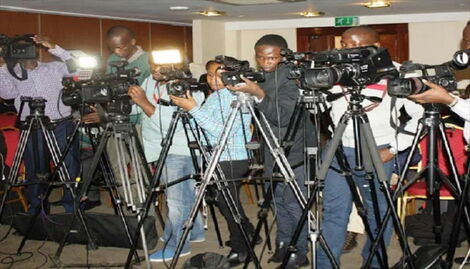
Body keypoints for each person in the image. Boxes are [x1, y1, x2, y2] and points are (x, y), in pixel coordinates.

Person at [315, 26, 424, 269]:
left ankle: (374, 264)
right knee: (333, 214)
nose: (344, 49)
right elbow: (323, 107)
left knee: (377, 216)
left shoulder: (396, 73)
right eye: (343, 44)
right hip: (338, 150)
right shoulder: (337, 72)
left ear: (373, 45)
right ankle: (324, 265)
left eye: (351, 45)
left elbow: (420, 116)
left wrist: (395, 149)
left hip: (378, 151)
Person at [227, 34, 315, 268]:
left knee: (294, 203)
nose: (265, 61)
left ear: (283, 56)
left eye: (271, 57)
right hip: (271, 148)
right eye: (260, 57)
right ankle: (283, 244)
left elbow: (282, 117)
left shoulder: (292, 78)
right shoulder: (262, 77)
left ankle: (300, 250)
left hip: (295, 148)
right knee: (276, 200)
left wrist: (257, 93)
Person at [171, 60, 257, 267]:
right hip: (216, 156)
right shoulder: (215, 96)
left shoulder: (239, 96)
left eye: (219, 75)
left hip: (232, 157)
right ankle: (248, 234)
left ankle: (242, 249)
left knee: (228, 204)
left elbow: (222, 132)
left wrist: (194, 109)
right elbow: (199, 125)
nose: (213, 79)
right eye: (209, 75)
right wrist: (188, 108)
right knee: (226, 202)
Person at [127, 57, 205, 262]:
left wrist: (143, 100)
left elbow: (170, 122)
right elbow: (137, 109)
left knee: (177, 200)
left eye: (161, 65)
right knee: (184, 194)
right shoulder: (150, 81)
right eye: (152, 63)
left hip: (181, 149)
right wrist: (131, 100)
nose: (154, 68)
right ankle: (194, 232)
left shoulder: (188, 87)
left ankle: (178, 244)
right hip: (158, 146)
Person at [0, 35, 79, 214]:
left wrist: (54, 46)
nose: (25, 52)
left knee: (69, 166)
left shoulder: (55, 67)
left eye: (28, 47)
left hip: (60, 124)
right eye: (18, 49)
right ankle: (37, 210)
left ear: (36, 49)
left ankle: (72, 209)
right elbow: (7, 94)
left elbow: (78, 69)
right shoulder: (10, 72)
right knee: (34, 169)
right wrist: (2, 67)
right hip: (32, 127)